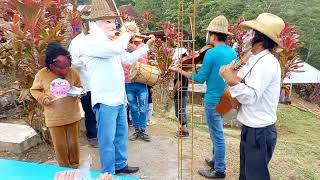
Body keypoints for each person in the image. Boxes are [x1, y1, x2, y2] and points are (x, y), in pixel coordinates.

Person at [80, 0, 155, 174]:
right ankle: (108, 172)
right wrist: (127, 34)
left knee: (121, 136)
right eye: (107, 21)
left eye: (112, 20)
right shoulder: (91, 42)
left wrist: (145, 47)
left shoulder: (111, 42)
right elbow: (116, 48)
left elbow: (127, 59)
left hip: (119, 98)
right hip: (105, 100)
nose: (112, 24)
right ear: (94, 23)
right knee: (107, 139)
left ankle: (121, 164)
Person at [169, 15, 237, 178]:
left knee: (217, 135)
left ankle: (219, 169)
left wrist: (179, 71)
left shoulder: (211, 53)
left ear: (212, 35)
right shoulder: (232, 51)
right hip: (227, 98)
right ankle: (215, 160)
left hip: (213, 99)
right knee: (217, 130)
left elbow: (199, 78)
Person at [219, 13, 285, 180]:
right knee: (246, 175)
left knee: (254, 176)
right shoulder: (254, 59)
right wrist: (229, 75)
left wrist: (231, 80)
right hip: (251, 127)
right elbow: (240, 81)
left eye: (250, 33)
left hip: (260, 131)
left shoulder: (267, 63)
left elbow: (251, 96)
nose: (245, 36)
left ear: (260, 39)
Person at [30, 41, 81, 168]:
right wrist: (44, 98)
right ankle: (64, 170)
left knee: (73, 144)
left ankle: (75, 166)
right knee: (60, 146)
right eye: (60, 68)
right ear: (51, 64)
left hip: (73, 116)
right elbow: (34, 90)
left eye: (67, 67)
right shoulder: (42, 74)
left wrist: (78, 93)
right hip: (55, 119)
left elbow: (79, 86)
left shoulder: (73, 73)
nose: (64, 71)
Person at [69, 15, 98, 148]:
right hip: (86, 84)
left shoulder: (97, 39)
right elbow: (72, 62)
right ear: (83, 24)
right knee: (90, 111)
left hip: (100, 82)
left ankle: (103, 134)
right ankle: (92, 135)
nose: (91, 25)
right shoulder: (76, 42)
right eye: (88, 23)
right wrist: (87, 59)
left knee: (101, 110)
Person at [122, 21, 151, 142]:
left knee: (143, 107)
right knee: (133, 107)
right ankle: (136, 130)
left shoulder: (141, 46)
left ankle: (143, 130)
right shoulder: (121, 46)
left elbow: (144, 62)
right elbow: (123, 63)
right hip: (128, 82)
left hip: (141, 81)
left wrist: (135, 51)